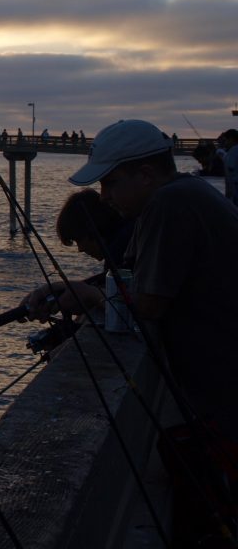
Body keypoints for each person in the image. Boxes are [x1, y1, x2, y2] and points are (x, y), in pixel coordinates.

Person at [30, 119, 238, 540]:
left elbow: (147, 305)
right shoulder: (192, 194)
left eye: (110, 184)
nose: (104, 198)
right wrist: (78, 287)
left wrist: (89, 299)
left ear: (145, 174)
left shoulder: (170, 204)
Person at [22, 188, 133, 318]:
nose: (80, 249)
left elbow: (128, 305)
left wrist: (87, 294)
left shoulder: (120, 250)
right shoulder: (125, 238)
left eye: (79, 239)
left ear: (93, 228)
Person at [219, 128, 238, 205]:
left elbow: (230, 168)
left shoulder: (233, 150)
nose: (225, 144)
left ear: (231, 139)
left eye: (225, 140)